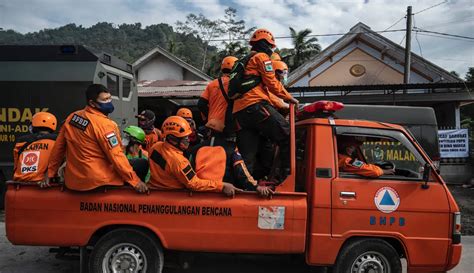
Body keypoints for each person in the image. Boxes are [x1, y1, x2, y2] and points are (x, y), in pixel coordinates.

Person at [46, 84, 148, 193]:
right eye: (105, 100)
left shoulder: (72, 117)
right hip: (98, 181)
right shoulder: (105, 125)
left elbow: (59, 148)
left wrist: (50, 173)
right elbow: (116, 155)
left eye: (109, 98)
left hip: (74, 181)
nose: (109, 102)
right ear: (92, 103)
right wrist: (135, 181)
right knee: (142, 163)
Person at [232, 28, 299, 183]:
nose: (270, 50)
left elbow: (267, 91)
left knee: (247, 156)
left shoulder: (246, 59)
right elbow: (272, 83)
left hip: (240, 113)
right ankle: (285, 178)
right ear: (265, 45)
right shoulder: (261, 57)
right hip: (255, 106)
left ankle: (245, 187)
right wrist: (290, 99)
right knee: (288, 134)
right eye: (270, 46)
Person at [148, 116, 241, 197]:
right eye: (185, 138)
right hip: (174, 196)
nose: (188, 140)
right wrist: (222, 186)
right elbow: (194, 183)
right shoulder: (179, 162)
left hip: (153, 192)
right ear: (173, 140)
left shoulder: (155, 147)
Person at [198, 56, 238, 136]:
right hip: (228, 125)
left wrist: (210, 116)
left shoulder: (212, 84)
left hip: (212, 125)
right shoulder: (235, 84)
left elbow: (201, 104)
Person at [13, 112, 57, 183]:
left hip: (20, 185)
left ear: (34, 125)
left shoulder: (21, 142)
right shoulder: (57, 142)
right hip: (44, 185)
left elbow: (15, 165)